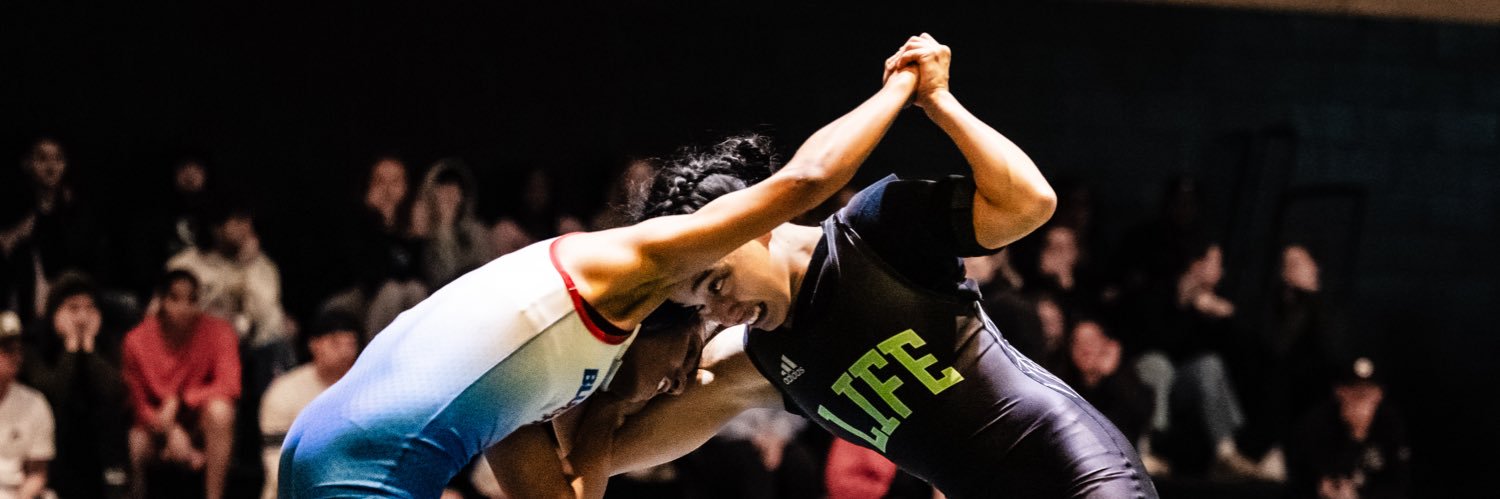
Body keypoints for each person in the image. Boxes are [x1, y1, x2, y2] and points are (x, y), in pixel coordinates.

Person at [516, 34, 1158, 499]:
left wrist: (937, 102)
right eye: (699, 303)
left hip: (1077, 473)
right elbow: (589, 461)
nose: (718, 310)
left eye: (716, 280)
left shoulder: (877, 228)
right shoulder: (756, 361)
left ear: (754, 224)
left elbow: (1030, 204)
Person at [279, 46, 920, 499]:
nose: (682, 381)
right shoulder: (632, 267)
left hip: (330, 443)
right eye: (691, 351)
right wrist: (902, 86)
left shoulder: (534, 394)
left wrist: (612, 411)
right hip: (361, 464)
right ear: (669, 310)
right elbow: (805, 182)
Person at [122, 270, 241, 499]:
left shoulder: (219, 331)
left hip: (197, 421)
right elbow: (137, 403)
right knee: (135, 443)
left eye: (192, 299)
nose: (184, 308)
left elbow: (230, 385)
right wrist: (170, 431)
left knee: (221, 411)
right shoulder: (136, 340)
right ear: (161, 301)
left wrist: (181, 399)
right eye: (175, 299)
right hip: (155, 424)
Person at [20, 273, 130, 499]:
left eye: (89, 308)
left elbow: (114, 391)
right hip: (54, 439)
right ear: (54, 311)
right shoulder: (34, 342)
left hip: (97, 444)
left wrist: (89, 350)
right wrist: (70, 348)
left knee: (107, 412)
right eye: (73, 308)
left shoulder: (105, 342)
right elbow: (51, 394)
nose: (82, 318)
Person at [259, 314, 362, 499]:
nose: (345, 352)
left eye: (351, 344)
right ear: (314, 345)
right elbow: (276, 462)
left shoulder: (369, 390)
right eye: (336, 343)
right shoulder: (284, 391)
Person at [0, 310, 54, 499]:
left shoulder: (35, 404)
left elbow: (37, 474)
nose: (16, 356)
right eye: (7, 350)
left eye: (18, 349)